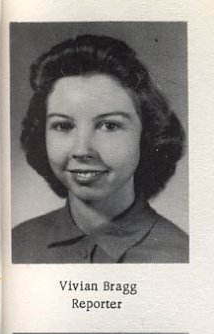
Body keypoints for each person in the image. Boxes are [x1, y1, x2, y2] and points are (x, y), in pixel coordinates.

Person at [13, 33, 188, 263]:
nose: (82, 150)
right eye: (63, 125)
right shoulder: (16, 244)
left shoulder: (181, 256)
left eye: (109, 125)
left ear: (146, 135)